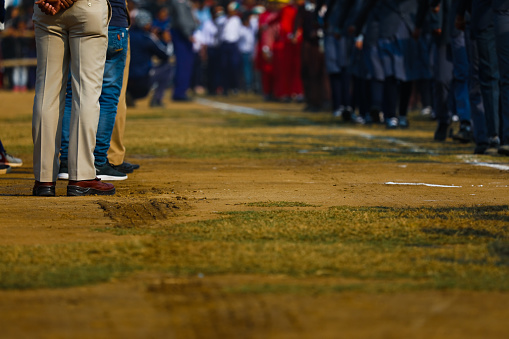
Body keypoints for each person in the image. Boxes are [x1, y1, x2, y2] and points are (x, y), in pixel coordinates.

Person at [31, 0, 115, 196]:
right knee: (86, 92)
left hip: (46, 7)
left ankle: (44, 179)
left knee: (46, 92)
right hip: (87, 6)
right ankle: (81, 176)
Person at [58, 0, 130, 181]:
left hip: (77, 19)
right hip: (113, 21)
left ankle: (67, 161)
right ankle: (97, 161)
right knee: (108, 96)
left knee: (72, 93)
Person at [126, 9, 172, 107]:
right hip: (142, 81)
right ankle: (157, 100)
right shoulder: (147, 38)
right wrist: (167, 41)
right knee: (168, 66)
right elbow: (165, 55)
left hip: (125, 80)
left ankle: (127, 95)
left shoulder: (126, 35)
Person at [169, 0, 198, 101]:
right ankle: (180, 93)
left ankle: (181, 91)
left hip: (183, 34)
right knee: (184, 64)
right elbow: (182, 19)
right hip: (182, 36)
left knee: (185, 64)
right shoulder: (180, 3)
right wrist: (187, 33)